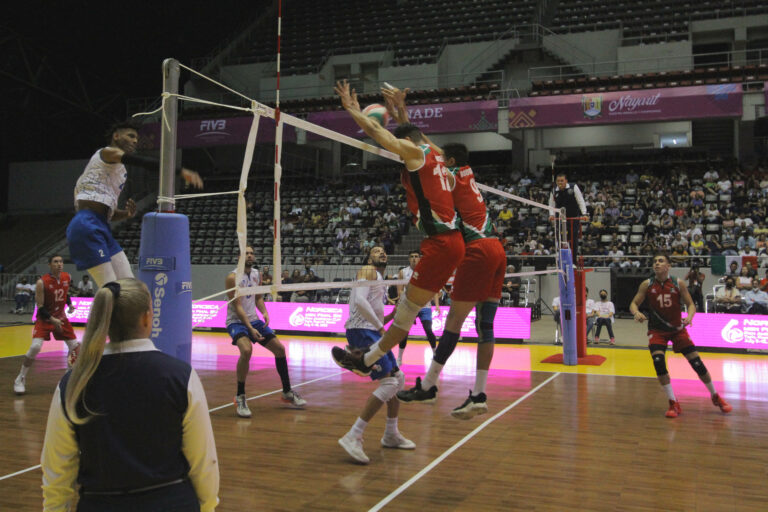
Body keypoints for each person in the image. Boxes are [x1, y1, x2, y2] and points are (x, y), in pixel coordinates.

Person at [41, 278, 219, 511]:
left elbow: (57, 470)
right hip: (171, 502)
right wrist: (208, 506)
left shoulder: (73, 383)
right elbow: (203, 461)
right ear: (147, 318)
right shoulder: (180, 376)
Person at [330, 80, 464, 377]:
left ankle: (364, 361)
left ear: (407, 144)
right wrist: (402, 111)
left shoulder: (414, 153)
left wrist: (352, 110)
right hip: (453, 241)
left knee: (405, 313)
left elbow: (379, 133)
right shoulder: (436, 153)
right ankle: (423, 380)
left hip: (441, 243)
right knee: (414, 310)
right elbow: (414, 135)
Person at [393, 141, 506, 420]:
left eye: (444, 158)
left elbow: (430, 155)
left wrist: (406, 128)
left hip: (477, 250)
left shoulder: (452, 176)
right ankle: (479, 395)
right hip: (497, 249)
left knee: (454, 323)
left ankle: (429, 385)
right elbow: (434, 148)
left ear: (451, 160)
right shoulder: (467, 172)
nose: (438, 160)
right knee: (486, 326)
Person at [66, 120, 203, 287]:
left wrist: (125, 214)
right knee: (111, 289)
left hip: (101, 225)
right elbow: (141, 161)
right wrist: (179, 171)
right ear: (116, 136)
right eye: (131, 136)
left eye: (137, 138)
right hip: (86, 224)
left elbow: (105, 211)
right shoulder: (107, 153)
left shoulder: (119, 171)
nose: (135, 141)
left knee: (130, 287)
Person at [629, 253, 732, 418]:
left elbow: (691, 304)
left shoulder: (678, 283)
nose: (657, 264)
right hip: (657, 331)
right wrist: (636, 313)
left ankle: (715, 396)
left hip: (677, 330)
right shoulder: (647, 284)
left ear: (668, 266)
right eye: (655, 261)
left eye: (661, 261)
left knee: (696, 362)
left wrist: (689, 317)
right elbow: (633, 303)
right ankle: (673, 402)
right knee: (658, 362)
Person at [338, 246, 415, 464]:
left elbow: (372, 308)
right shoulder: (368, 270)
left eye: (383, 251)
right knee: (390, 382)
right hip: (362, 331)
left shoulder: (379, 276)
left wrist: (393, 316)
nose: (381, 252)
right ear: (369, 257)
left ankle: (391, 434)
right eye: (375, 250)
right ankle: (353, 435)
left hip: (371, 330)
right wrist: (381, 329)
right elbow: (360, 302)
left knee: (398, 379)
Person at [226, 246, 307, 417]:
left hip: (254, 319)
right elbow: (238, 307)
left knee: (280, 349)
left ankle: (287, 392)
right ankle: (240, 396)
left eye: (251, 253)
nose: (249, 255)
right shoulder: (232, 278)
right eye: (246, 253)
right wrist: (250, 328)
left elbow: (259, 297)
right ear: (239, 257)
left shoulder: (256, 274)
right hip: (237, 322)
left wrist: (264, 312)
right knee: (247, 350)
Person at [14, 255, 79, 395]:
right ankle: (20, 378)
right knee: (35, 347)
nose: (59, 264)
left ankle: (68, 378)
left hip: (61, 317)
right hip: (45, 318)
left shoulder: (67, 277)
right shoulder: (41, 282)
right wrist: (52, 319)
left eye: (61, 261)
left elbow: (65, 293)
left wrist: (70, 304)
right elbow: (40, 307)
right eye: (55, 262)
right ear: (50, 265)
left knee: (75, 347)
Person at [395, 250, 440, 366]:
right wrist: (402, 302)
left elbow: (434, 290)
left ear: (420, 258)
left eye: (416, 256)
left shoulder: (427, 272)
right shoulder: (403, 272)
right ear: (409, 259)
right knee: (404, 332)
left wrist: (437, 305)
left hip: (424, 306)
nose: (414, 258)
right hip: (409, 306)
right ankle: (399, 358)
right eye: (412, 257)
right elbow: (400, 290)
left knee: (428, 330)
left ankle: (435, 354)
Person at [548, 173, 588, 261]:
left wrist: (584, 214)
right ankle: (562, 260)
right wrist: (551, 215)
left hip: (573, 217)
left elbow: (580, 200)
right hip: (561, 218)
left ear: (566, 181)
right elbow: (551, 204)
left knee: (573, 239)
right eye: (558, 181)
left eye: (562, 181)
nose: (560, 183)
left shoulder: (573, 187)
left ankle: (573, 261)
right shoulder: (554, 190)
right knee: (560, 239)